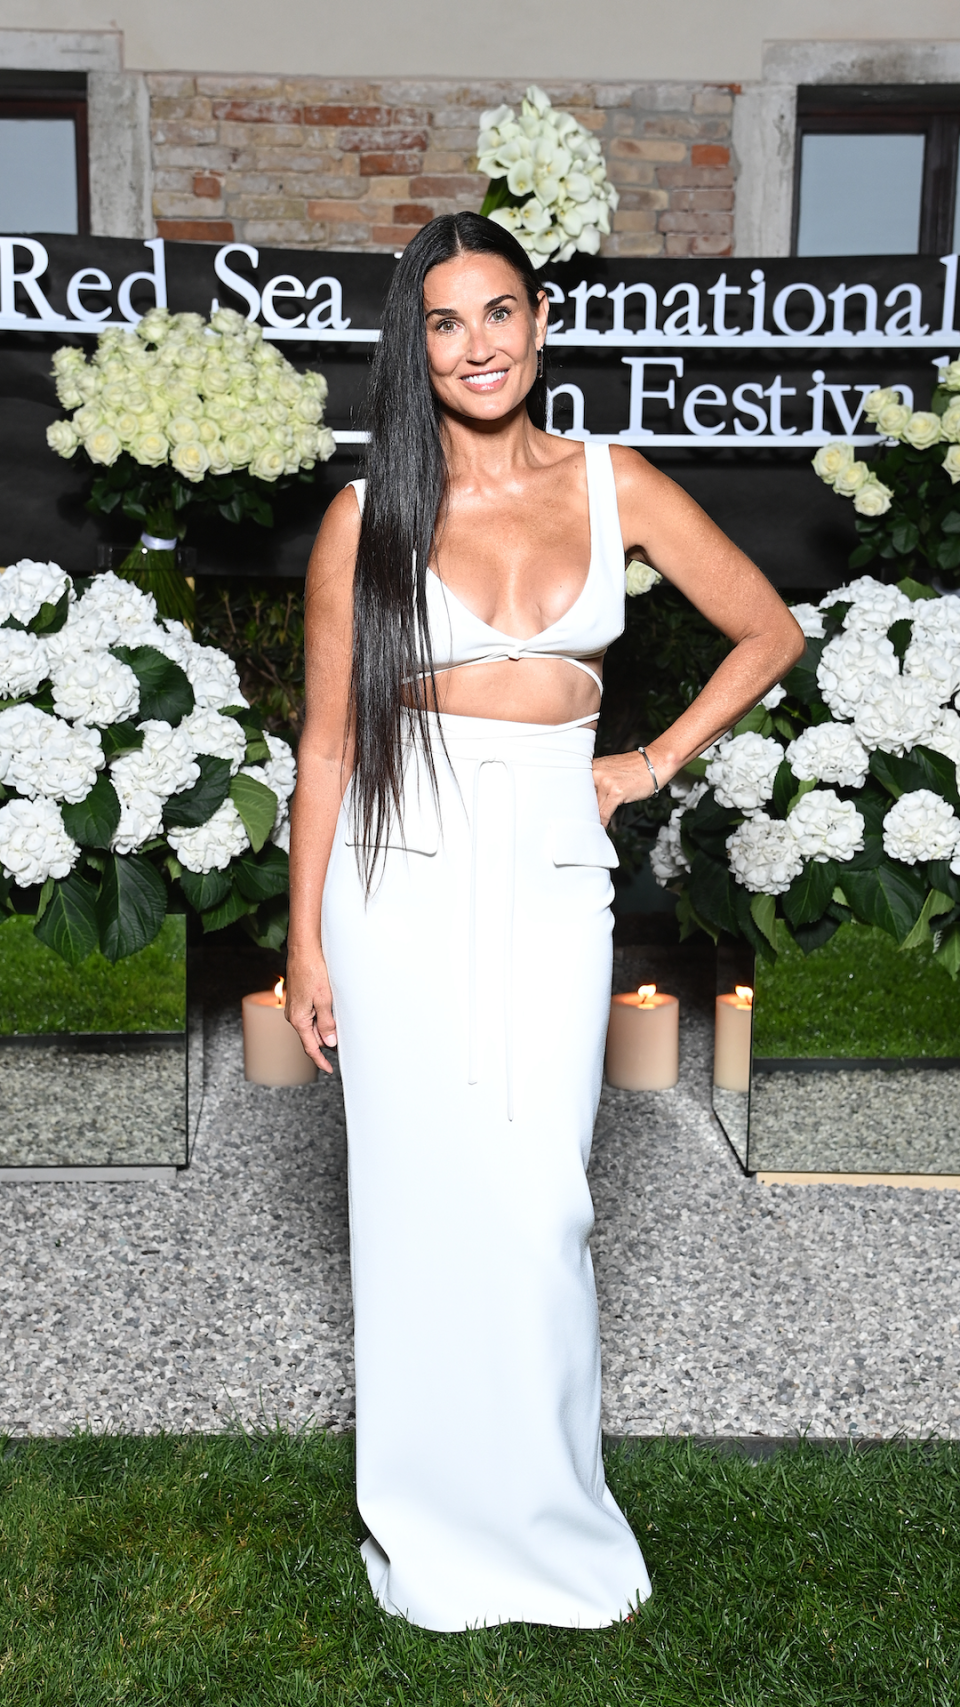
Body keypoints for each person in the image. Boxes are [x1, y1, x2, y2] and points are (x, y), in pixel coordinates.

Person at [286, 212, 804, 1632]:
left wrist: (643, 765)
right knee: (413, 1204)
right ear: (418, 346)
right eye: (445, 324)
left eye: (497, 312)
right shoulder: (367, 514)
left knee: (538, 1199)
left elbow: (770, 629)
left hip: (549, 861)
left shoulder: (612, 481)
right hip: (398, 863)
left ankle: (552, 1519)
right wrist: (306, 939)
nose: (476, 347)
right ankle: (431, 1527)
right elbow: (326, 743)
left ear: (538, 320)